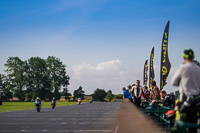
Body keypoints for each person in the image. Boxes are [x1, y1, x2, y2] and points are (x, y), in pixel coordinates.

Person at [171, 49, 200, 133]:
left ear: (184, 57)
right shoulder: (198, 68)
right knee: (194, 124)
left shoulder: (183, 67)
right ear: (193, 57)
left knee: (181, 123)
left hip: (185, 99)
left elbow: (173, 82)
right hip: (197, 100)